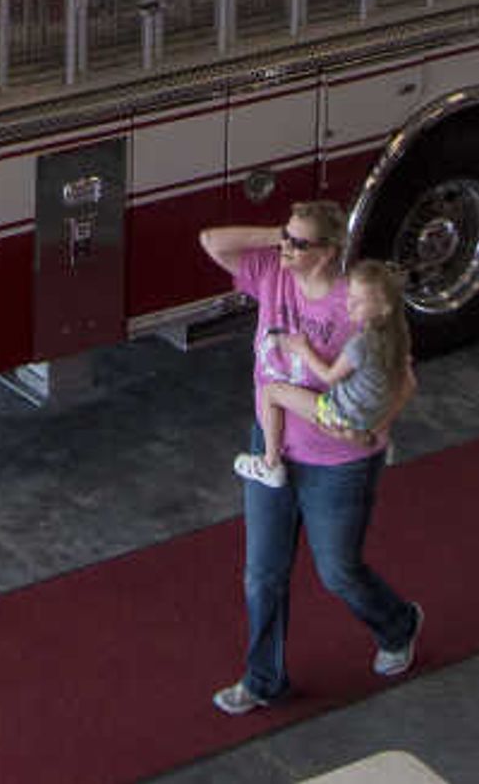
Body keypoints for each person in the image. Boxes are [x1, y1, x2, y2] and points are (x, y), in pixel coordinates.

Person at [199, 199, 422, 714]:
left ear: (329, 252)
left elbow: (403, 378)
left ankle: (398, 624)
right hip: (275, 443)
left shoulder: (356, 301)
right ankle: (263, 679)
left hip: (338, 460)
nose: (286, 249)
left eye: (300, 243)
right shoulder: (271, 273)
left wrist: (378, 430)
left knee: (338, 571)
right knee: (262, 573)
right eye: (286, 238)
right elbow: (212, 241)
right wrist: (276, 235)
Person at [238, 256, 409, 490]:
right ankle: (372, 437)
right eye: (349, 296)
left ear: (383, 307)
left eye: (358, 301)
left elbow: (328, 376)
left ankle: (270, 464)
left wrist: (303, 349)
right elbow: (406, 382)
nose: (348, 305)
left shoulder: (360, 344)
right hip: (372, 414)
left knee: (270, 392)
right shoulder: (397, 336)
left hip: (340, 414)